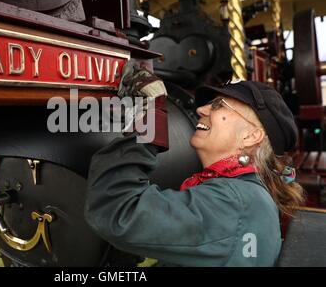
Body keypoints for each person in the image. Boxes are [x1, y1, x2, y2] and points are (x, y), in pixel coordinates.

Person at [84, 61, 305, 267]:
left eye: (219, 105)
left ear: (251, 136)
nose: (201, 110)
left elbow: (118, 211)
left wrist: (147, 123)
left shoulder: (234, 202)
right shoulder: (250, 197)